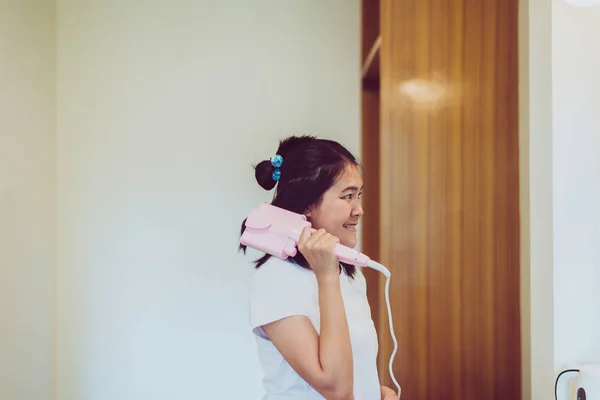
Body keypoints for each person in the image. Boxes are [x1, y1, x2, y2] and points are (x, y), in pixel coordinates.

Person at [239, 135, 399, 400]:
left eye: (359, 195)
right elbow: (335, 388)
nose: (359, 209)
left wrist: (373, 392)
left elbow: (351, 370)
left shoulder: (350, 274)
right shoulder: (275, 279)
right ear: (309, 205)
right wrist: (326, 277)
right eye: (347, 196)